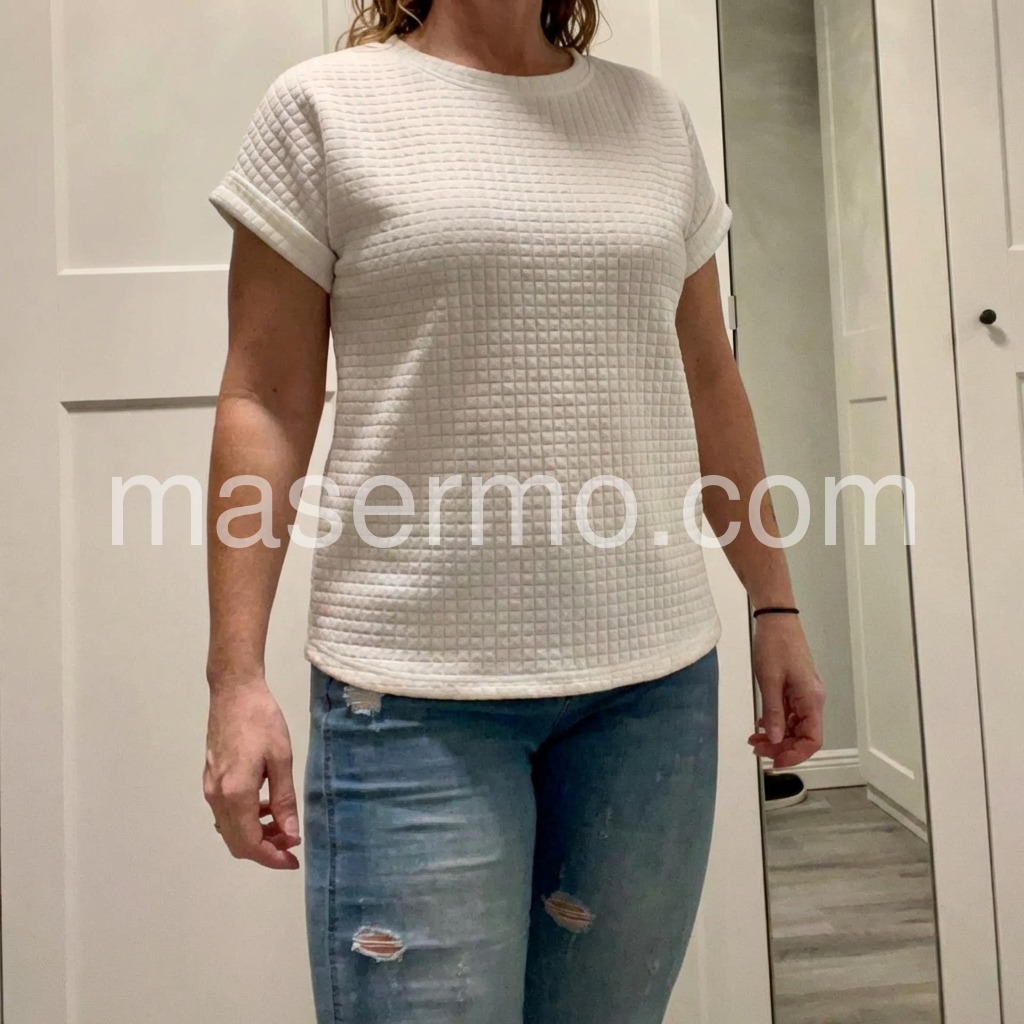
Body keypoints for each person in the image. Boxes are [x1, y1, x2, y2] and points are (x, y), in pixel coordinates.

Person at [202, 1, 826, 1021]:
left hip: (650, 698)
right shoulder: (325, 108)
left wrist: (775, 601)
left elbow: (708, 379)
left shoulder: (652, 120)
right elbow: (264, 399)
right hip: (410, 701)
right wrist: (236, 677)